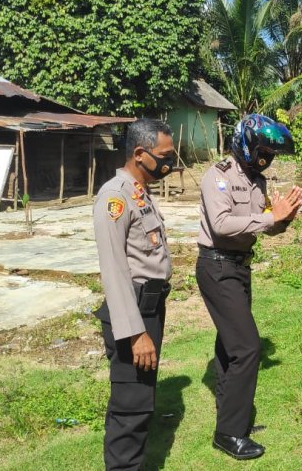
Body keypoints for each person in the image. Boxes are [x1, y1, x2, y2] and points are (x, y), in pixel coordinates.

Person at [196, 114, 302, 460]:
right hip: (216, 266)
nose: (266, 158)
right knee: (247, 348)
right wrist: (272, 216)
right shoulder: (217, 176)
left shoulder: (258, 182)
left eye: (270, 153)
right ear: (245, 144)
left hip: (239, 267)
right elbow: (223, 225)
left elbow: (259, 227)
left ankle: (233, 419)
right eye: (263, 151)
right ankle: (229, 434)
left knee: (230, 347)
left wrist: (283, 220)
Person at [93, 118, 177, 471]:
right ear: (140, 154)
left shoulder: (140, 192)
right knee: (131, 407)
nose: (170, 163)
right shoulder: (115, 197)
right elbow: (114, 270)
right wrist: (136, 333)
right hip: (134, 315)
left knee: (141, 401)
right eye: (165, 156)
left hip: (150, 307)